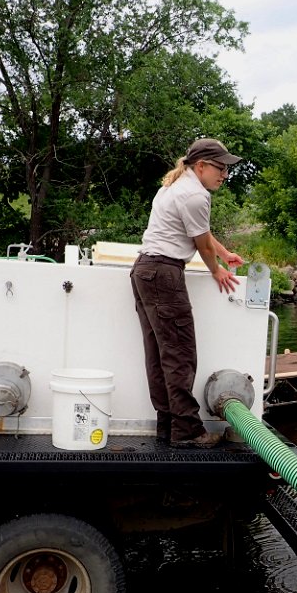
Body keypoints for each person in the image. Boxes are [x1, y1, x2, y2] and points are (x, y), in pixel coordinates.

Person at [130, 138, 245, 449]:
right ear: (202, 166)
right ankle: (188, 431)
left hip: (144, 271)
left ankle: (167, 426)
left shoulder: (174, 185)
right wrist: (216, 270)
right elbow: (201, 244)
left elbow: (202, 234)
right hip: (164, 274)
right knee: (180, 355)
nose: (225, 174)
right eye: (221, 168)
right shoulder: (195, 194)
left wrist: (224, 254)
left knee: (159, 355)